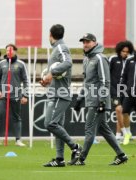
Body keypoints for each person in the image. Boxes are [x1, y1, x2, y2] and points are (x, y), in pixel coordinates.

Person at [71, 33, 128, 165]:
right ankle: (121, 155)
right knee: (103, 129)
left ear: (95, 43)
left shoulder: (100, 58)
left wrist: (102, 100)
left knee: (89, 129)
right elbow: (87, 82)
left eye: (88, 42)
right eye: (83, 42)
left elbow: (105, 81)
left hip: (97, 101)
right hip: (92, 99)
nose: (85, 44)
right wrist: (80, 98)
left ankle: (81, 158)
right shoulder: (87, 59)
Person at [40, 24, 82, 167]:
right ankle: (59, 159)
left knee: (50, 123)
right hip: (56, 92)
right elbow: (60, 72)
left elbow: (68, 63)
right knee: (57, 126)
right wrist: (48, 80)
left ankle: (75, 147)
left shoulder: (60, 48)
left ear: (50, 35)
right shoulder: (56, 49)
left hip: (60, 94)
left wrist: (51, 73)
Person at [0, 44, 28, 147]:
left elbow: (26, 80)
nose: (8, 52)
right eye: (7, 50)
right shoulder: (2, 64)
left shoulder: (21, 64)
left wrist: (25, 95)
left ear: (15, 51)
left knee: (16, 118)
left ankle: (18, 140)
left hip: (16, 95)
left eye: (10, 50)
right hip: (3, 95)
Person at [109, 41, 134, 144]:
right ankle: (123, 133)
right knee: (118, 110)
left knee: (125, 113)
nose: (125, 53)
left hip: (126, 90)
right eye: (123, 51)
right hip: (115, 89)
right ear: (119, 51)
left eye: (127, 52)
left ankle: (123, 134)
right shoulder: (113, 59)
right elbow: (108, 75)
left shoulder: (131, 61)